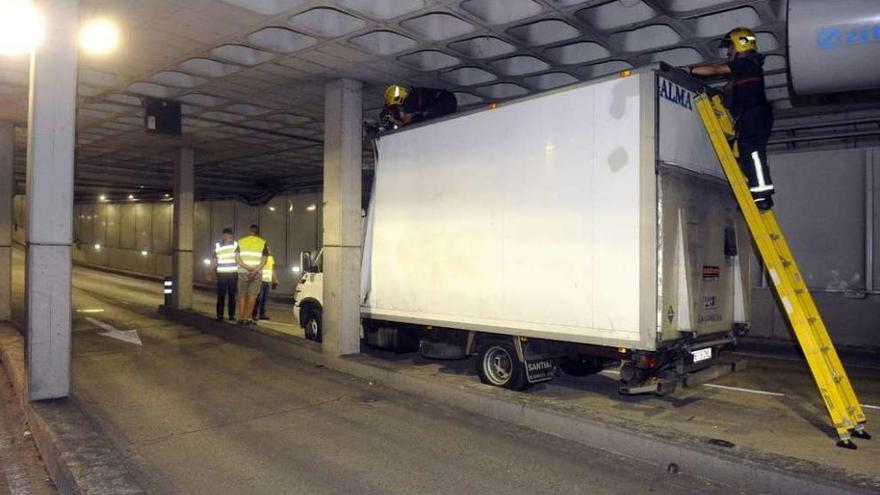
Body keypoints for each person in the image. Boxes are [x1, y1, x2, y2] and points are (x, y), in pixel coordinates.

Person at [689, 27, 775, 210]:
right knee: (745, 153)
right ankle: (754, 191)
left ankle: (762, 195)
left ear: (739, 44)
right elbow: (732, 85)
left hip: (754, 115)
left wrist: (690, 70)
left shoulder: (746, 63)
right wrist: (721, 93)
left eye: (730, 47)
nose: (729, 51)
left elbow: (716, 69)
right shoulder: (750, 67)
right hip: (753, 116)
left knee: (752, 153)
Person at [235, 224, 269, 326]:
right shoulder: (263, 243)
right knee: (252, 296)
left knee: (242, 295)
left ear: (250, 231)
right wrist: (255, 270)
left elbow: (237, 258)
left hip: (243, 272)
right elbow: (264, 260)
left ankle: (240, 318)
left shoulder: (241, 241)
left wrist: (247, 267)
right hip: (256, 273)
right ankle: (249, 318)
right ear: (258, 233)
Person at [384, 84, 457, 128]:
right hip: (448, 98)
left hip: (445, 102)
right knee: (422, 116)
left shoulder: (408, 102)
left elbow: (405, 123)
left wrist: (393, 120)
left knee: (422, 121)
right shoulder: (412, 93)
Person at [209, 228, 237, 321]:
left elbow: (239, 258)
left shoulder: (235, 245)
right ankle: (219, 315)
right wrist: (210, 271)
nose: (226, 237)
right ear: (223, 235)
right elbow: (214, 260)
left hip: (233, 274)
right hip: (221, 274)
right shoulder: (218, 246)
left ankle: (231, 315)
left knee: (232, 295)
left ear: (231, 236)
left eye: (228, 235)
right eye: (225, 235)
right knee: (221, 295)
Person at [252, 250, 279, 321]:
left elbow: (272, 270)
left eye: (269, 249)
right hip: (260, 280)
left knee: (264, 299)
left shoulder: (271, 258)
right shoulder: (260, 258)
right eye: (267, 249)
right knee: (258, 299)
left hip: (267, 281)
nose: (269, 250)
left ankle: (262, 314)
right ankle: (254, 315)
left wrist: (275, 279)